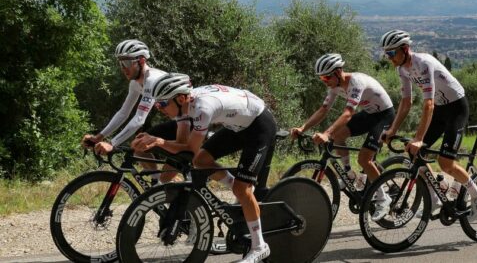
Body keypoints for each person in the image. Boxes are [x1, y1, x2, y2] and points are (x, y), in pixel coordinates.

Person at [133, 73, 277, 263]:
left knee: (242, 189)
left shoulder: (202, 108)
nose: (159, 108)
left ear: (181, 98)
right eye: (158, 104)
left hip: (259, 125)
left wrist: (158, 141)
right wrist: (154, 142)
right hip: (237, 126)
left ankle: (259, 246)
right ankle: (238, 188)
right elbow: (182, 143)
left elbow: (189, 148)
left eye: (163, 103)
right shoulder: (183, 106)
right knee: (200, 161)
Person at [378, 29, 477, 221]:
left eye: (392, 53)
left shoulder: (424, 63)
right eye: (386, 54)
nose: (389, 58)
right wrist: (392, 129)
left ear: (405, 49)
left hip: (456, 108)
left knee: (445, 163)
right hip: (440, 108)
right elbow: (406, 102)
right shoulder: (402, 69)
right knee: (414, 153)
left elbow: (427, 103)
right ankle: (436, 197)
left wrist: (419, 138)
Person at [291, 53, 396, 220]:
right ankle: (348, 173)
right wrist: (303, 128)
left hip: (385, 115)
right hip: (369, 113)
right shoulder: (334, 86)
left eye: (326, 78)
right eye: (321, 79)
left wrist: (326, 133)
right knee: (338, 136)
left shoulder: (356, 82)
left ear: (338, 72)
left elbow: (348, 113)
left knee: (364, 159)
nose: (325, 82)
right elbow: (323, 110)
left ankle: (384, 198)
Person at [81, 40, 173, 183]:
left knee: (142, 145)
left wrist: (112, 143)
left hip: (192, 120)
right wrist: (99, 137)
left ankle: (161, 187)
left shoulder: (152, 80)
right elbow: (123, 113)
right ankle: (157, 186)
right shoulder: (135, 83)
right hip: (178, 121)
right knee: (139, 145)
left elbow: (139, 119)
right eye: (120, 63)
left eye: (127, 63)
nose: (124, 68)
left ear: (142, 61)